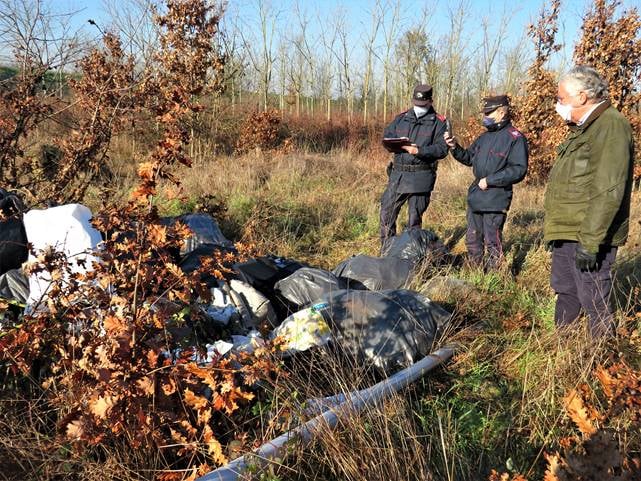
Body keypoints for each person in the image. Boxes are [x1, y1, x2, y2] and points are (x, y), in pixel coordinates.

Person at [544, 65, 634, 337]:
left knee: (594, 297)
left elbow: (609, 188)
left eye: (560, 98)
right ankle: (563, 348)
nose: (557, 104)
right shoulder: (583, 129)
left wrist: (590, 240)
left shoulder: (611, 125)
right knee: (565, 289)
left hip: (587, 233)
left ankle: (600, 360)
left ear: (581, 97)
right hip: (568, 230)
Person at [443, 95, 528, 270]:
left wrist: (490, 180)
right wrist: (454, 147)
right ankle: (476, 273)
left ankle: (493, 277)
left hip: (496, 198)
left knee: (492, 241)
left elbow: (519, 169)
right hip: (476, 197)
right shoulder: (484, 137)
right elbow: (468, 158)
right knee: (473, 238)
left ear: (502, 112)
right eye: (485, 113)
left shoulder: (515, 138)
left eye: (489, 113)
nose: (485, 116)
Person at [379, 84, 448, 248]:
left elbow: (442, 149)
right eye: (416, 104)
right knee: (386, 213)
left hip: (421, 177)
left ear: (430, 101)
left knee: (414, 220)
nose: (418, 108)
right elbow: (387, 136)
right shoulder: (402, 118)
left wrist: (419, 151)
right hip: (398, 175)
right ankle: (387, 250)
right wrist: (393, 144)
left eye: (422, 105)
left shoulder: (439, 123)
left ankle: (410, 255)